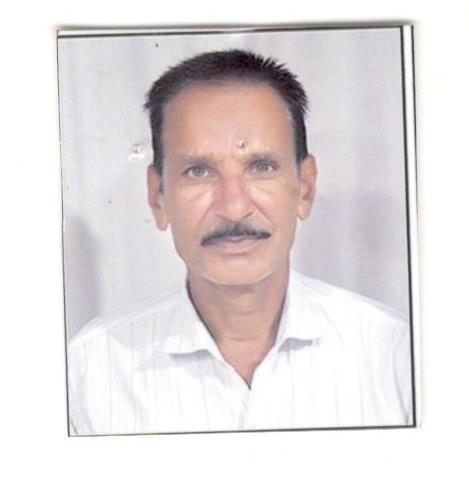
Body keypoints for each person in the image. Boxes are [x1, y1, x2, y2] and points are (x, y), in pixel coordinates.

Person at [67, 49, 413, 435]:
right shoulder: (90, 371)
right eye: (198, 171)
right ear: (158, 196)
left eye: (261, 167)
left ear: (305, 187)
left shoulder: (396, 355)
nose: (233, 208)